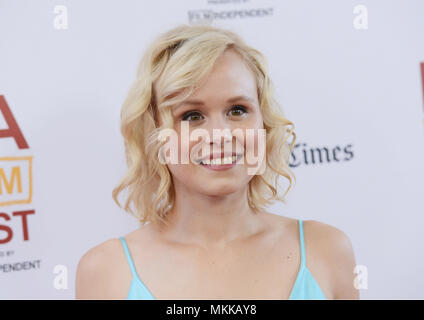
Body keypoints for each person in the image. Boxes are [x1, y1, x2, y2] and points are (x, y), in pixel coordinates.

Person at [75, 24, 359, 300]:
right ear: (156, 135)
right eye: (191, 116)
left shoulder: (327, 250)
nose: (220, 135)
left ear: (263, 123)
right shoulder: (106, 272)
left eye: (237, 110)